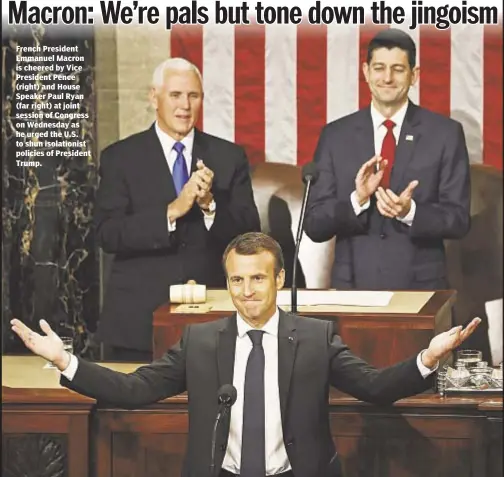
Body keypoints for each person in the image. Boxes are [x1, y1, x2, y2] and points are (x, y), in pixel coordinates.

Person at [11, 232, 480, 477]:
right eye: (237, 279)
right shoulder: (201, 341)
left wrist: (429, 357)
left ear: (279, 281)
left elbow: (375, 388)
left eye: (258, 278)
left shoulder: (315, 339)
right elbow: (135, 389)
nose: (247, 290)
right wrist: (64, 361)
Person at [94, 58, 260, 361]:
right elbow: (108, 234)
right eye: (175, 95)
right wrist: (171, 211)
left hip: (212, 320)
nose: (185, 105)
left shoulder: (228, 156)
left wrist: (210, 205)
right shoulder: (120, 157)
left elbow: (249, 233)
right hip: (138, 324)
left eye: (193, 96)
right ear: (153, 97)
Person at [304, 29, 471, 291]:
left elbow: (458, 219)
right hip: (353, 289)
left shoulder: (445, 134)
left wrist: (410, 212)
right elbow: (314, 224)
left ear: (414, 75)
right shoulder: (335, 135)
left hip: (421, 291)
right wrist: (356, 200)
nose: (387, 78)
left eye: (398, 69)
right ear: (366, 71)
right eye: (379, 68)